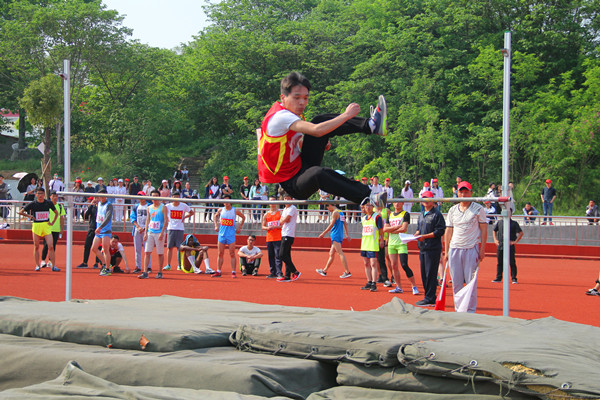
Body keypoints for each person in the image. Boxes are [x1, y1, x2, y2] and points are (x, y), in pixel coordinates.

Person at [257, 71, 387, 208]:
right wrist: (346, 115)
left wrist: (318, 142)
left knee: (319, 120)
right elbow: (317, 131)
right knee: (319, 173)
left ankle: (372, 125)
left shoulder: (290, 114)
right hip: (293, 183)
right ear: (283, 98)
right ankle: (369, 196)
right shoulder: (281, 117)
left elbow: (291, 142)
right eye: (297, 98)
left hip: (300, 164)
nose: (302, 103)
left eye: (305, 98)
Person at [443, 181, 487, 313]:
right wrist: (446, 251)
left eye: (466, 191)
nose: (463, 194)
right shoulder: (452, 210)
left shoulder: (478, 209)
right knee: (456, 283)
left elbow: (484, 230)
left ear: (471, 193)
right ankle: (459, 310)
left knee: (470, 283)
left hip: (470, 248)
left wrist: (482, 250)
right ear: (457, 193)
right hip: (454, 249)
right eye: (461, 191)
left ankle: (470, 311)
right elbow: (448, 231)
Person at [413, 190, 446, 306]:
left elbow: (440, 231)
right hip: (422, 247)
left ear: (432, 201)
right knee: (424, 273)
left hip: (432, 248)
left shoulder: (437, 214)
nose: (426, 201)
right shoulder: (421, 215)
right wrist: (416, 235)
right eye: (424, 199)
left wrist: (425, 236)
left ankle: (430, 297)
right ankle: (428, 296)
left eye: (428, 199)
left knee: (430, 273)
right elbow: (419, 229)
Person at [384, 197, 419, 294]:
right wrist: (396, 227)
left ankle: (414, 286)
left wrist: (391, 229)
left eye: (399, 202)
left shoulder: (405, 214)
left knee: (404, 265)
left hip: (401, 243)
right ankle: (399, 287)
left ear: (403, 203)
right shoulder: (390, 215)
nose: (397, 204)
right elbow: (384, 229)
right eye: (395, 202)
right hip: (391, 244)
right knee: (394, 266)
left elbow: (404, 229)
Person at [18, 187, 59, 271]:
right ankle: (37, 265)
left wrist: (52, 222)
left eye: (42, 193)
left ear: (44, 194)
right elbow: (20, 212)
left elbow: (56, 213)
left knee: (51, 246)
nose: (40, 195)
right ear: (36, 194)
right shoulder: (33, 204)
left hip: (46, 226)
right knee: (36, 246)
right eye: (38, 193)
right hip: (36, 226)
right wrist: (29, 216)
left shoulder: (48, 203)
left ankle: (53, 265)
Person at [213, 194, 245, 278]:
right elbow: (215, 216)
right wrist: (216, 225)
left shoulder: (234, 210)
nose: (226, 202)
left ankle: (233, 271)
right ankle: (218, 271)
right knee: (220, 253)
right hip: (221, 235)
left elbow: (243, 217)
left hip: (231, 235)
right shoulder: (221, 210)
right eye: (225, 201)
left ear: (230, 202)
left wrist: (239, 228)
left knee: (232, 253)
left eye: (228, 201)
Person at [316, 202, 351, 278]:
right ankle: (324, 271)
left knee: (340, 253)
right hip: (339, 234)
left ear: (330, 205)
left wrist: (323, 233)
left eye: (327, 208)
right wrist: (347, 234)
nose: (328, 210)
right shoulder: (340, 212)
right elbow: (345, 223)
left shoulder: (335, 213)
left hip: (336, 235)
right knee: (331, 253)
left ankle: (347, 271)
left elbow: (331, 224)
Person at [139, 190, 168, 279]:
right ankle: (145, 272)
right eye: (153, 196)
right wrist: (145, 232)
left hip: (159, 232)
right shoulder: (149, 207)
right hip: (150, 232)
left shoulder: (163, 207)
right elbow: (148, 220)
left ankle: (159, 272)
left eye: (156, 196)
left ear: (159, 197)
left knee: (160, 253)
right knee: (147, 252)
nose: (154, 199)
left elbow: (166, 220)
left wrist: (162, 232)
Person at [163, 191, 194, 272]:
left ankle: (179, 265)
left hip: (180, 229)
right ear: (172, 198)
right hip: (170, 228)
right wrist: (167, 219)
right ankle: (168, 264)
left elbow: (192, 212)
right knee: (169, 247)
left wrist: (185, 217)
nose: (176, 199)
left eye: (177, 197)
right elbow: (163, 213)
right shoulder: (167, 206)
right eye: (174, 197)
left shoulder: (183, 206)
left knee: (179, 248)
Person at [359, 198, 383, 292]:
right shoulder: (364, 218)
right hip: (364, 243)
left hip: (373, 243)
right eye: (366, 206)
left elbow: (381, 229)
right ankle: (369, 281)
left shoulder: (377, 217)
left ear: (373, 206)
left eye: (369, 205)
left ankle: (374, 283)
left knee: (373, 263)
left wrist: (381, 240)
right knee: (366, 263)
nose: (368, 207)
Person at [277, 192, 301, 282]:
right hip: (284, 233)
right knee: (287, 255)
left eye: (288, 198)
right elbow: (280, 221)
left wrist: (283, 220)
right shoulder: (284, 209)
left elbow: (286, 219)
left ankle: (295, 271)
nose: (287, 200)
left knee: (281, 255)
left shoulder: (293, 208)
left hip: (289, 234)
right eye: (285, 199)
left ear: (292, 199)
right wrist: (283, 220)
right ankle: (287, 276)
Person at [492, 218, 524, 284]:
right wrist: (495, 240)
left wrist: (515, 241)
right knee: (500, 262)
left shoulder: (514, 223)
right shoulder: (500, 222)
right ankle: (498, 277)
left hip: (510, 246)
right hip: (500, 245)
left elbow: (521, 233)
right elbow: (494, 230)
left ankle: (514, 278)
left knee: (512, 262)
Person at [90, 189, 114, 276]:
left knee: (106, 250)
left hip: (105, 231)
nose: (102, 198)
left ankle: (107, 269)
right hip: (98, 231)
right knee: (94, 248)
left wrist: (100, 227)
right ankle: (105, 263)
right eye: (100, 196)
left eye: (103, 196)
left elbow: (107, 218)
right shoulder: (98, 204)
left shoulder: (109, 205)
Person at [40, 191, 65, 269]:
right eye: (54, 196)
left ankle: (50, 261)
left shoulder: (60, 207)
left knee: (53, 245)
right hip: (47, 228)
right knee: (46, 245)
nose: (55, 198)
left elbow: (61, 218)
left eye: (57, 196)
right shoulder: (46, 205)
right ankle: (43, 260)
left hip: (56, 229)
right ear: (50, 196)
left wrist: (62, 228)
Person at [77, 197, 102, 269]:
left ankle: (96, 263)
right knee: (87, 245)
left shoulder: (102, 208)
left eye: (98, 198)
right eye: (95, 198)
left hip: (99, 230)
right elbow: (85, 215)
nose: (97, 199)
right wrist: (90, 205)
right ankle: (85, 262)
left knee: (98, 247)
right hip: (91, 228)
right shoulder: (92, 207)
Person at [261, 195, 283, 278]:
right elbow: (263, 226)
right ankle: (272, 272)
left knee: (278, 255)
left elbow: (283, 225)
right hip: (269, 238)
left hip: (278, 237)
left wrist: (276, 227)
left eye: (274, 201)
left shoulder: (280, 213)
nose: (272, 203)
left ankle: (279, 272)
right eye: (271, 201)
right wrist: (267, 228)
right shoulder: (266, 214)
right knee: (271, 256)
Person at [130, 191, 151, 274]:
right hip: (137, 230)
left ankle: (148, 266)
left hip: (147, 230)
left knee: (147, 249)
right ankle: (138, 266)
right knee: (137, 249)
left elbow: (152, 217)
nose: (140, 198)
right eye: (139, 196)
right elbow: (132, 217)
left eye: (142, 196)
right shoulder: (136, 206)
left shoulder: (149, 206)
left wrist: (146, 227)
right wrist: (138, 227)